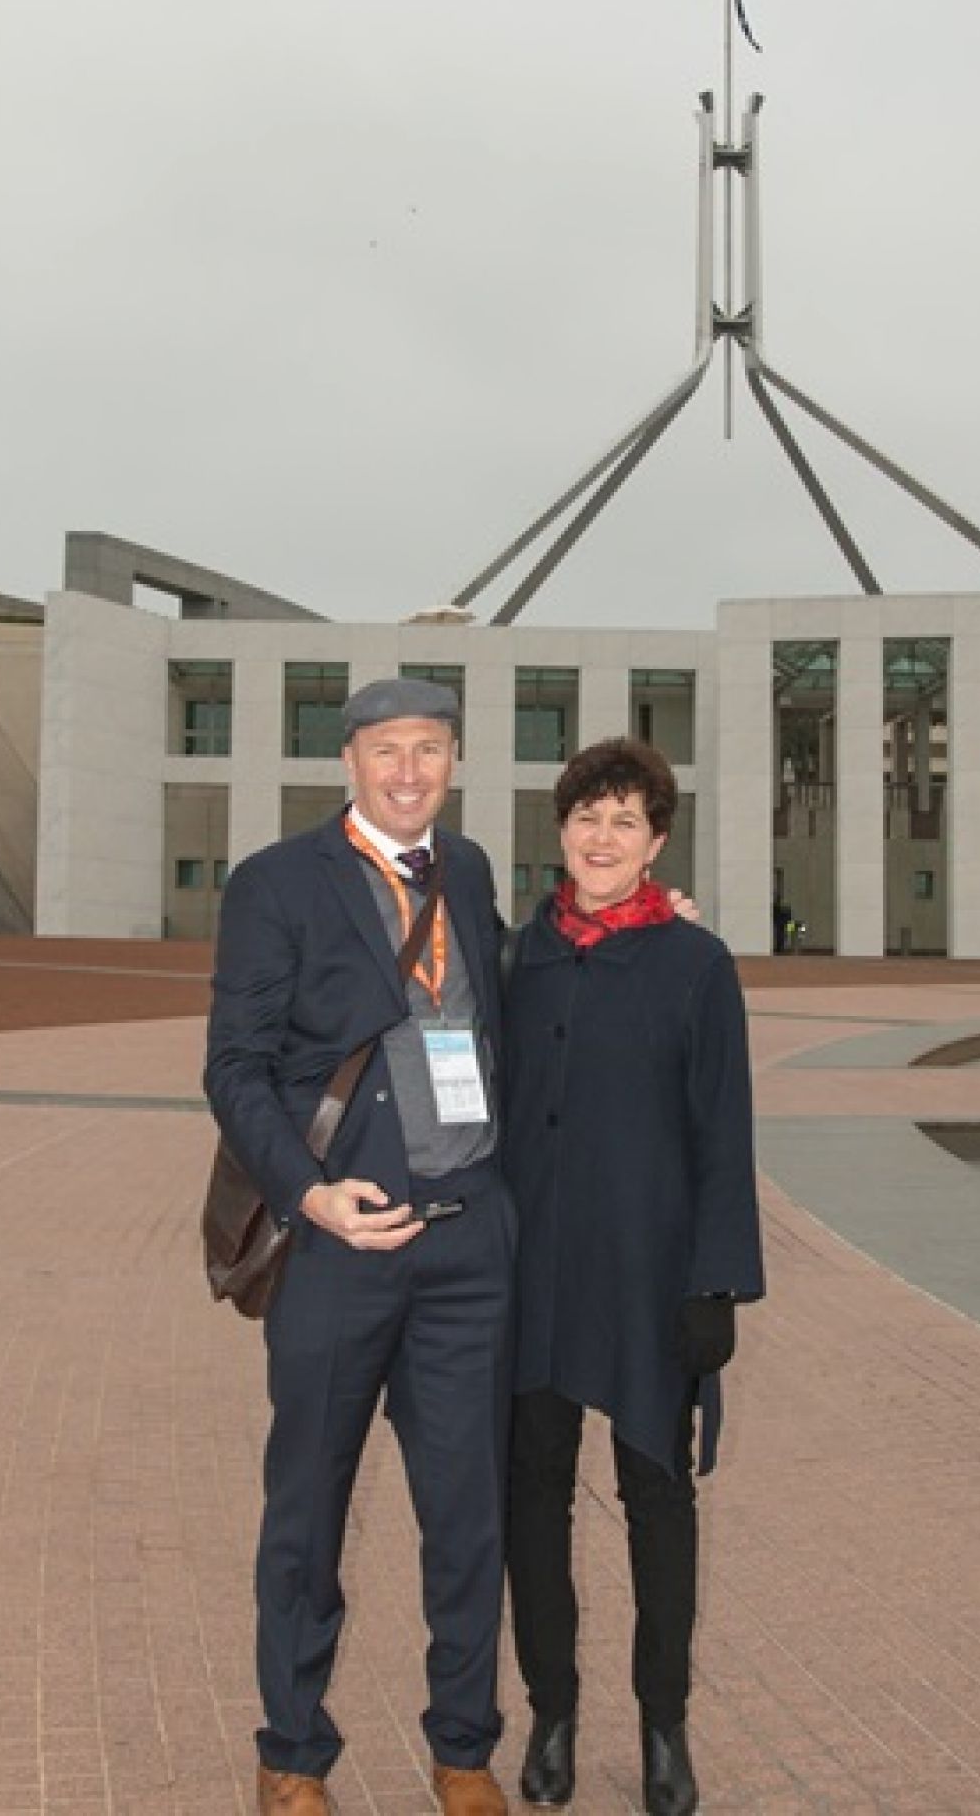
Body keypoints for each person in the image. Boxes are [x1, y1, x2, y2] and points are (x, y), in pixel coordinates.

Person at [204, 678, 515, 1816]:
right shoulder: (277, 883)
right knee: (308, 1507)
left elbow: (504, 1011)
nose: (407, 771)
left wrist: (644, 916)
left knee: (467, 1516)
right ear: (350, 762)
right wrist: (309, 1196)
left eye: (427, 750)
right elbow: (233, 1067)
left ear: (453, 760)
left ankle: (465, 1748)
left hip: (468, 1249)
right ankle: (292, 1753)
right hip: (340, 1247)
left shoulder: (470, 873)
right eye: (387, 751)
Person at [502, 736, 764, 1816]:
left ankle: (665, 1725)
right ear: (560, 830)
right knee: (533, 1497)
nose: (601, 837)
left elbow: (723, 1131)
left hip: (651, 1273)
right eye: (585, 816)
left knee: (658, 1500)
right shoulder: (519, 958)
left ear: (656, 842)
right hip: (531, 1275)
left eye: (625, 820)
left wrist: (716, 1284)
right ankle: (553, 1712)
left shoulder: (696, 965)